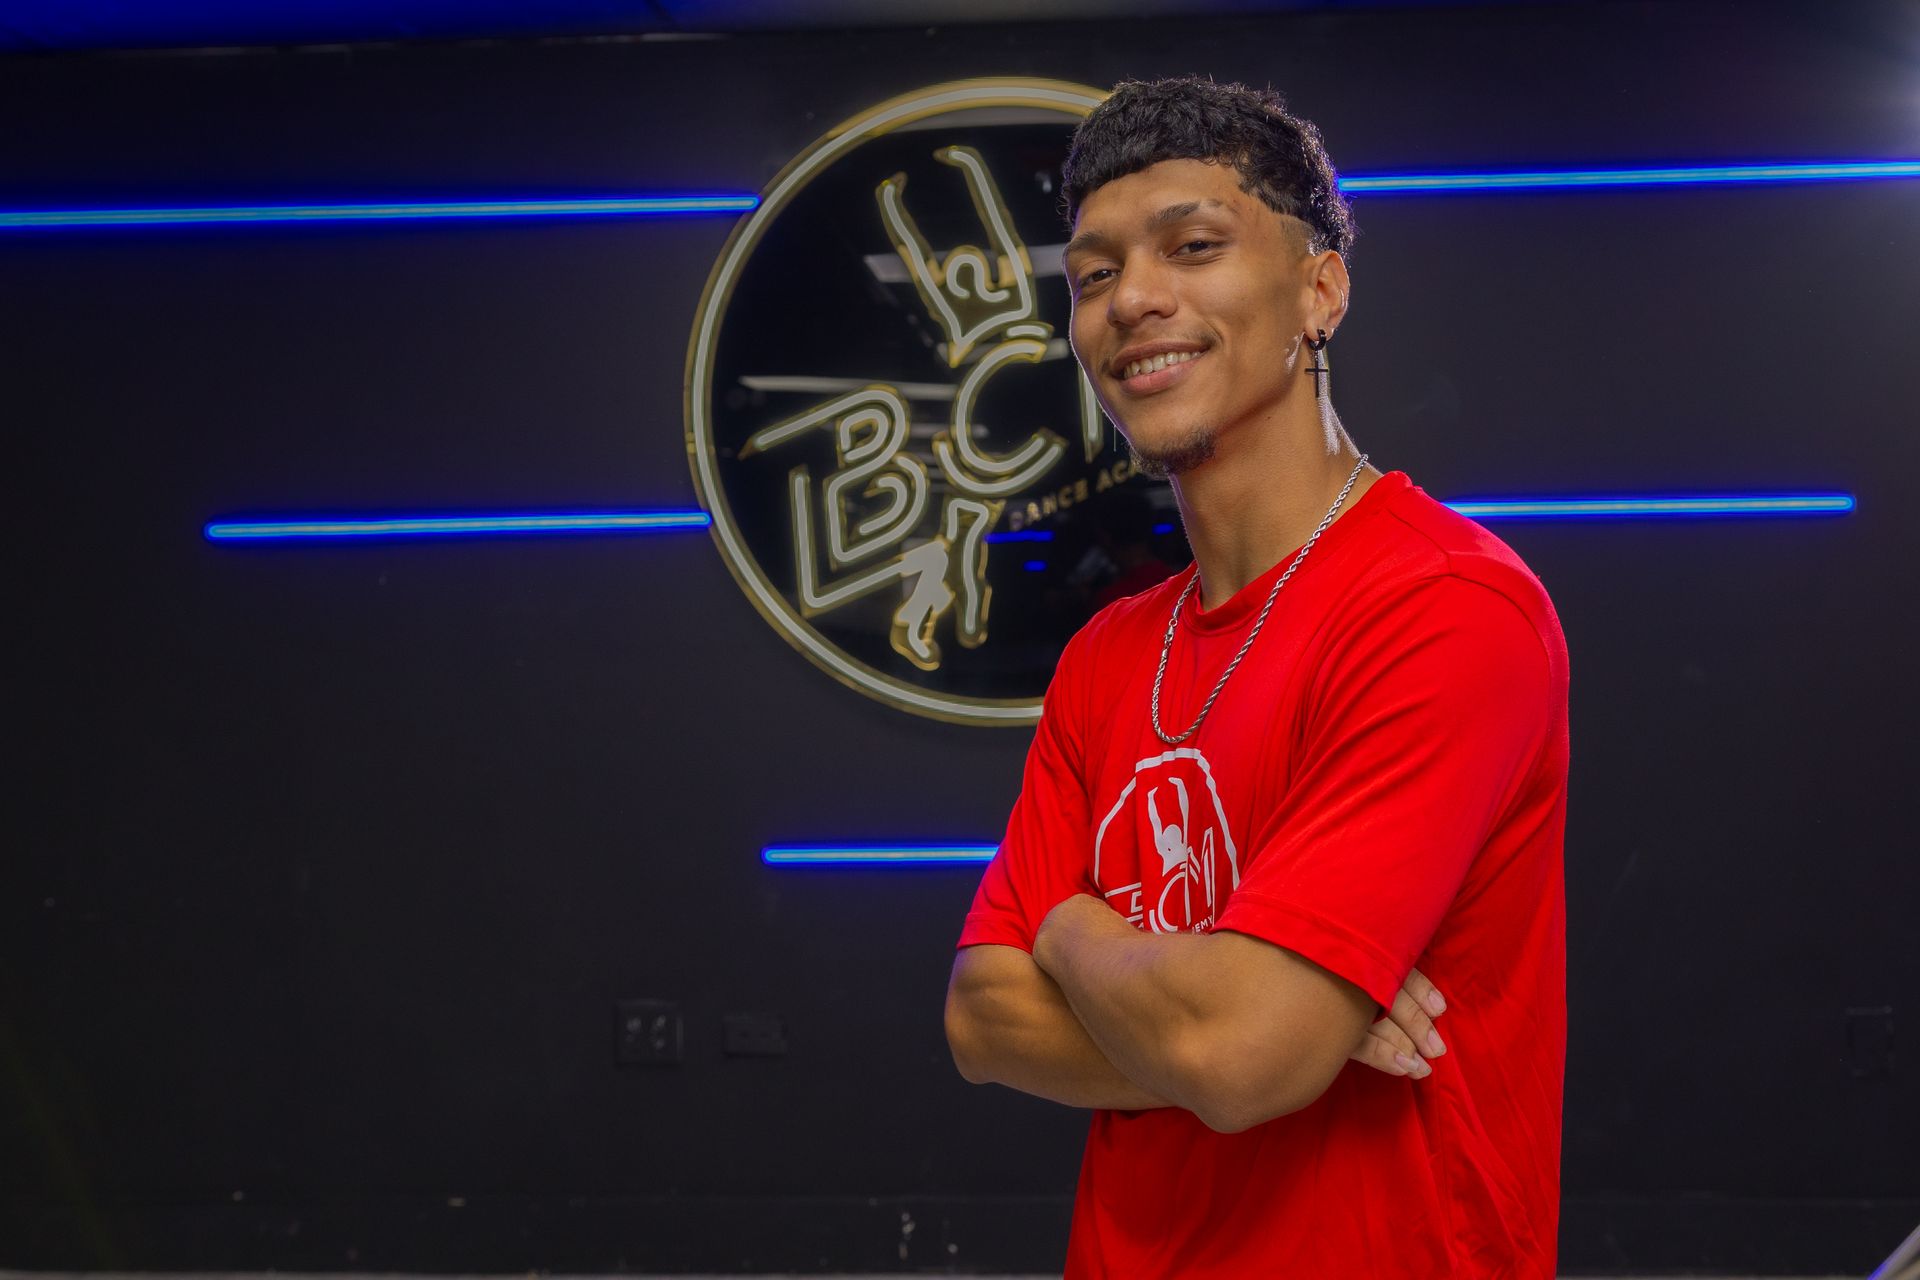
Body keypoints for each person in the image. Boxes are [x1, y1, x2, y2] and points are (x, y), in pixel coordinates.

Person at [944, 76, 1570, 1278]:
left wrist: (1070, 926)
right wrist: (1263, 1032)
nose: (1134, 298)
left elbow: (1238, 1051)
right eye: (1091, 275)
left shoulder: (1443, 607)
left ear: (1319, 288)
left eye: (1193, 245)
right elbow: (982, 1016)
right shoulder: (1106, 656)